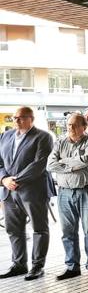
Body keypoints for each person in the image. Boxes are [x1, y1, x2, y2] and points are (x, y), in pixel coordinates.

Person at [0, 107, 53, 280]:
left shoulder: (43, 137)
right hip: (9, 192)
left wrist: (16, 180)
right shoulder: (5, 136)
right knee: (13, 230)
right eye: (14, 118)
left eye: (21, 118)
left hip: (33, 191)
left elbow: (39, 164)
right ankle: (19, 264)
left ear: (31, 119)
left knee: (39, 229)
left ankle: (37, 266)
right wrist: (4, 180)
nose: (16, 120)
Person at [47, 113, 88, 279]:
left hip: (87, 190)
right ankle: (72, 267)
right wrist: (72, 166)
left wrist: (63, 162)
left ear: (84, 127)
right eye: (69, 124)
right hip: (64, 192)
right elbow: (50, 164)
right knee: (68, 232)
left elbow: (86, 160)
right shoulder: (60, 142)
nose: (70, 127)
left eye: (75, 125)